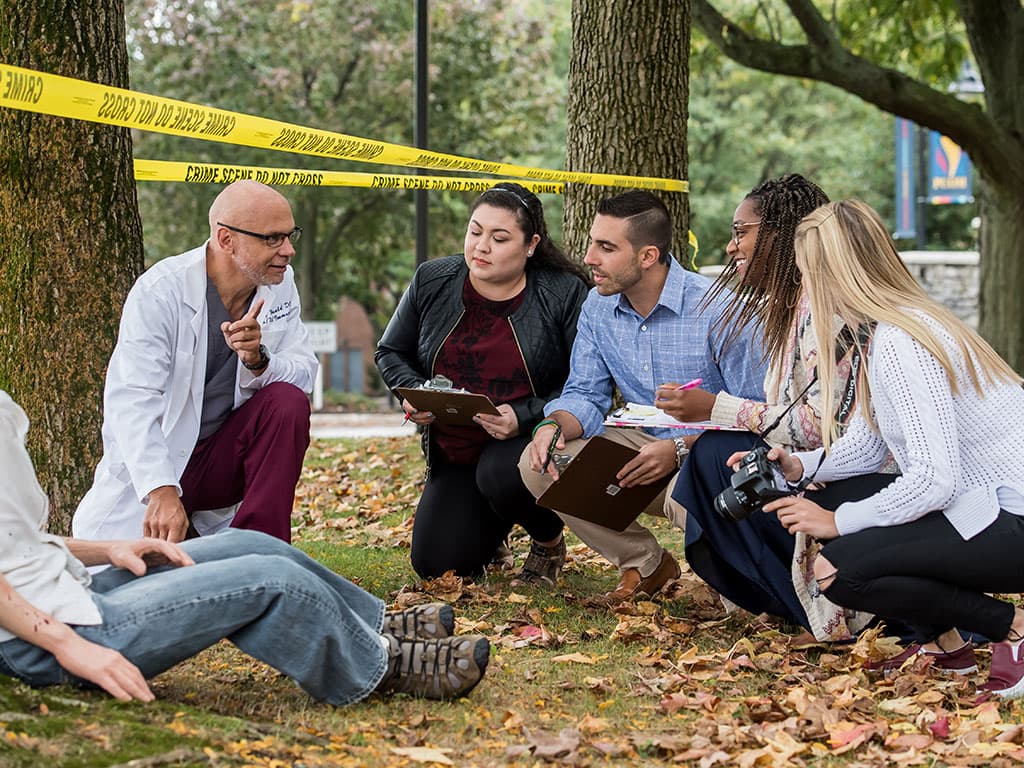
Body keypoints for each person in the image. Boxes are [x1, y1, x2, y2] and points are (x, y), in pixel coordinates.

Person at [0, 390, 490, 703]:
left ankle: (369, 621)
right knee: (274, 583)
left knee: (249, 545)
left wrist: (106, 550)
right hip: (43, 637)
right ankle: (379, 664)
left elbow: (13, 539)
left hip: (69, 589)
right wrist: (69, 647)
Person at [759, 200, 1024, 696]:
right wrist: (801, 466)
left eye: (807, 277)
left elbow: (933, 479)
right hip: (982, 505)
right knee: (825, 501)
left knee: (838, 573)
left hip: (1010, 518)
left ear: (835, 273)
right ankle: (946, 647)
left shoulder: (902, 342)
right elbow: (867, 446)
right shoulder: (886, 330)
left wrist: (840, 522)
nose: (807, 293)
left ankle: (1012, 626)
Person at [520, 190, 766, 602]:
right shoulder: (598, 308)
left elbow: (756, 417)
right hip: (637, 450)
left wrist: (679, 451)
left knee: (741, 596)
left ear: (648, 256)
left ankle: (737, 572)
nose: (589, 258)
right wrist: (551, 424)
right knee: (540, 465)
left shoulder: (719, 307)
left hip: (710, 458)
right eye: (592, 242)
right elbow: (584, 392)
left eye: (606, 247)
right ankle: (646, 565)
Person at [665, 174, 880, 640]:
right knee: (721, 456)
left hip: (857, 479)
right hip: (819, 469)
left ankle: (822, 603)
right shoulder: (792, 307)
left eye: (741, 231)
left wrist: (715, 408)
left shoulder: (825, 311)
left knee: (712, 455)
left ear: (781, 236)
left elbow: (827, 428)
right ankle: (785, 598)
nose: (730, 247)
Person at [73, 180, 318, 545]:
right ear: (225, 239)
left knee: (287, 403)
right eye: (272, 239)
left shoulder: (279, 282)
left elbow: (304, 375)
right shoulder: (161, 292)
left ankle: (262, 551)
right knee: (131, 578)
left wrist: (259, 360)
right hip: (163, 464)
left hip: (219, 462)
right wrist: (161, 491)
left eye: (289, 235)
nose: (288, 251)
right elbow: (131, 398)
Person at [375, 183, 589, 583]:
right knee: (437, 566)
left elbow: (585, 383)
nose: (481, 246)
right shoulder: (433, 279)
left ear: (531, 244)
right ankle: (490, 528)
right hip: (454, 452)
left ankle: (547, 540)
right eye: (475, 232)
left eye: (499, 237)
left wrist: (524, 416)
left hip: (523, 446)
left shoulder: (562, 293)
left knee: (499, 473)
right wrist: (414, 393)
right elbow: (389, 352)